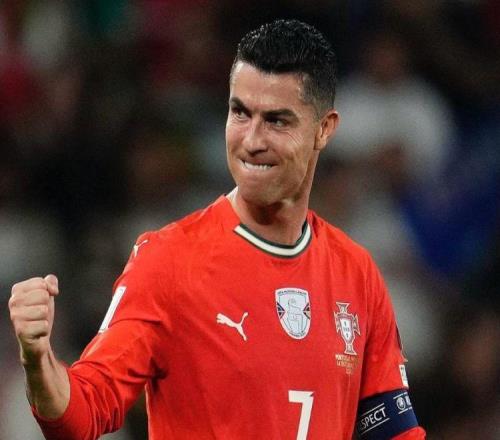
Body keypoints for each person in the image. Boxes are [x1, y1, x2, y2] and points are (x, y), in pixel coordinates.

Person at [8, 19, 426, 439]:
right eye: (240, 113)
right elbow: (85, 411)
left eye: (277, 121)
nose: (252, 141)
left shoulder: (356, 274)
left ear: (324, 129)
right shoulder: (169, 261)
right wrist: (38, 361)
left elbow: (394, 433)